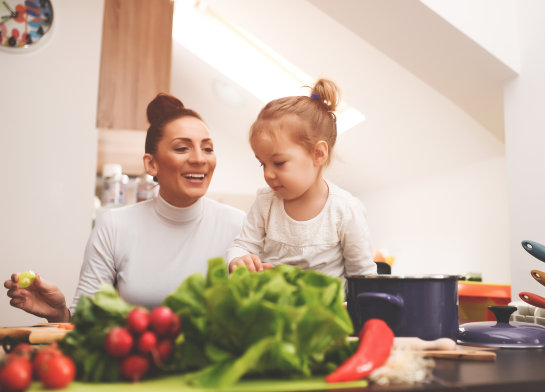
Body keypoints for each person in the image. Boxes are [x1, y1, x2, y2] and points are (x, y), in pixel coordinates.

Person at [5, 93, 245, 322]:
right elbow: (86, 321)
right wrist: (59, 314)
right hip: (135, 363)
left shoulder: (240, 226)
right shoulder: (115, 225)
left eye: (208, 148)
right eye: (182, 148)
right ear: (151, 164)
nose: (200, 159)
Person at [226, 79, 377, 281]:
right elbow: (242, 245)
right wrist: (239, 258)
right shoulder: (265, 202)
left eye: (278, 163)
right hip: (273, 307)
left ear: (318, 154)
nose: (268, 174)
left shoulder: (345, 209)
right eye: (263, 164)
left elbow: (363, 275)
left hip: (326, 311)